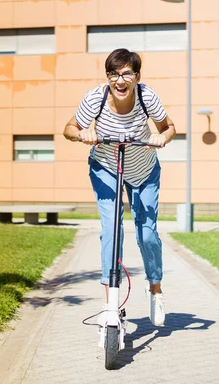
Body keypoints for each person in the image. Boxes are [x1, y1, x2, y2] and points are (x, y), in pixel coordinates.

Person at [63, 48, 176, 327]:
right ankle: (111, 304)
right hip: (105, 168)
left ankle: (155, 289)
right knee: (111, 231)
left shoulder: (147, 96)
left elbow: (169, 127)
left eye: (127, 73)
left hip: (143, 169)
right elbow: (68, 127)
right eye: (114, 74)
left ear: (137, 76)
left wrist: (162, 138)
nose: (120, 80)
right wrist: (82, 134)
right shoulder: (95, 97)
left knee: (147, 235)